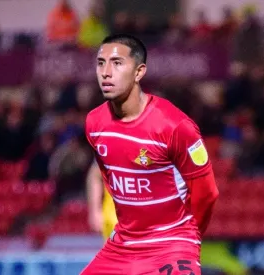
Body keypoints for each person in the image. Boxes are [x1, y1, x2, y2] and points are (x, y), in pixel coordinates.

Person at [82, 34, 219, 274]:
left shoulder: (175, 126)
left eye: (117, 63)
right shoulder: (94, 122)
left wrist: (188, 238)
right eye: (100, 63)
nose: (106, 72)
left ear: (139, 72)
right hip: (122, 248)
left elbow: (207, 194)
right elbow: (107, 175)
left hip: (171, 246)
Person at [87, 160, 118, 240]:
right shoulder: (109, 148)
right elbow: (95, 175)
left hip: (146, 219)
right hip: (113, 217)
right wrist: (95, 210)